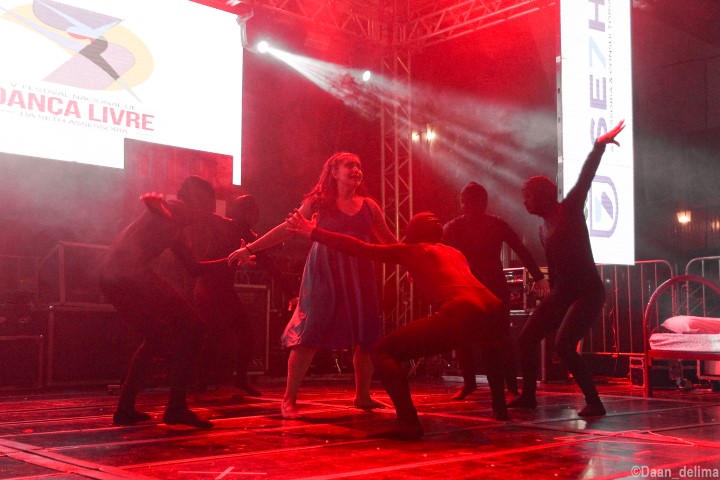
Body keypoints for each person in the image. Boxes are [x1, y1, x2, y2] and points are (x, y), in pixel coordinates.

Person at [285, 210, 506, 440]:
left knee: (382, 351)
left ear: (412, 233)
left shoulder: (414, 250)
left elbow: (359, 248)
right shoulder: (454, 252)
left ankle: (408, 423)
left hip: (462, 310)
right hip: (494, 309)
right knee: (487, 343)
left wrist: (315, 232)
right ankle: (500, 409)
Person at [229, 152, 397, 419]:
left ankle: (362, 396)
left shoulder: (369, 206)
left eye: (359, 166)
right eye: (350, 165)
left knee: (366, 334)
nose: (356, 169)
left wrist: (415, 262)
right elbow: (285, 229)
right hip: (325, 271)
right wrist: (250, 249)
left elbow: (389, 241)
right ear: (334, 172)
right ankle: (289, 400)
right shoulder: (319, 203)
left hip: (361, 273)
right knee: (309, 331)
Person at [509, 120, 626, 417]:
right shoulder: (542, 229)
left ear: (543, 196)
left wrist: (598, 146)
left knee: (563, 346)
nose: (524, 202)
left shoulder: (569, 208)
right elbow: (557, 268)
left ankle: (595, 402)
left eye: (528, 196)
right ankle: (528, 397)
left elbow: (586, 177)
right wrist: (549, 292)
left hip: (588, 291)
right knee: (526, 339)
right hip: (564, 291)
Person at [99, 176, 225, 429]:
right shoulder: (177, 209)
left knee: (157, 336)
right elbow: (164, 211)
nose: (207, 215)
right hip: (129, 275)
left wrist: (231, 260)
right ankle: (176, 408)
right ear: (197, 201)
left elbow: (193, 267)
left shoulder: (175, 224)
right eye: (208, 207)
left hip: (112, 277)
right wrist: (156, 206)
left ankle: (125, 408)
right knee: (195, 327)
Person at [443, 182, 549, 401]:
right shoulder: (495, 224)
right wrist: (538, 277)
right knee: (501, 339)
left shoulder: (455, 226)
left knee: (465, 337)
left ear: (463, 203)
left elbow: (435, 249)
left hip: (470, 287)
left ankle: (472, 383)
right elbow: (521, 249)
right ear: (485, 202)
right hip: (493, 287)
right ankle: (510, 387)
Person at [190, 194, 264, 396]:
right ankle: (200, 382)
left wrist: (291, 292)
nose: (256, 214)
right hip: (207, 287)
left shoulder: (251, 237)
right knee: (215, 333)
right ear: (242, 211)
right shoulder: (222, 223)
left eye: (256, 210)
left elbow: (268, 261)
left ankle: (237, 380)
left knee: (243, 333)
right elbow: (202, 214)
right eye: (252, 210)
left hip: (223, 290)